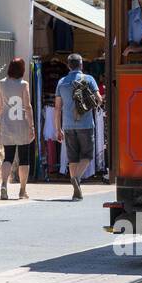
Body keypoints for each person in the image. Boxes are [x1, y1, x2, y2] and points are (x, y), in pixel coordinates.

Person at [54, 53, 100, 200]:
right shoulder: (89, 79)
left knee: (72, 157)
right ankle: (76, 178)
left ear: (68, 65)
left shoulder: (62, 82)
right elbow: (98, 99)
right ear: (81, 65)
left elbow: (57, 108)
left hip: (67, 125)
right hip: (85, 124)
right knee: (87, 155)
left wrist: (57, 128)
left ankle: (76, 188)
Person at [0, 57, 35, 200]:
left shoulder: (2, 83)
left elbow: (0, 105)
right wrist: (31, 126)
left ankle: (4, 185)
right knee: (24, 157)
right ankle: (22, 190)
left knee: (8, 156)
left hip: (7, 123)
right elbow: (28, 106)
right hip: (22, 124)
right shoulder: (24, 85)